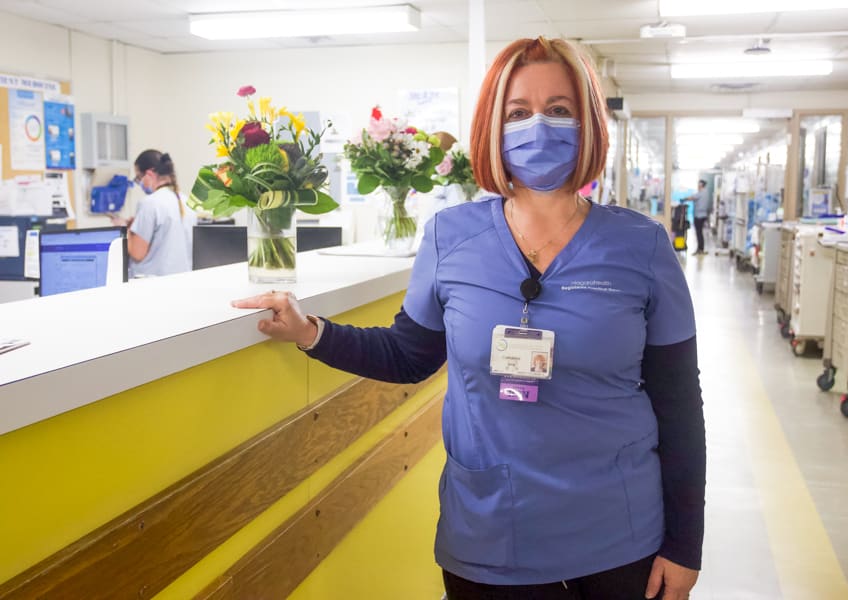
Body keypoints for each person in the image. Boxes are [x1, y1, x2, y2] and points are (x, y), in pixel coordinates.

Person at [233, 37, 705, 600]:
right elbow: (409, 355)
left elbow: (679, 404)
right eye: (518, 113)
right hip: (490, 536)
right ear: (492, 128)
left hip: (619, 536)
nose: (539, 126)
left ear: (588, 125)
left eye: (559, 111)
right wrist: (311, 333)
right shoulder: (451, 237)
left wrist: (685, 543)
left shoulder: (641, 245)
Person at [111, 150, 195, 277]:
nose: (140, 184)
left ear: (149, 174)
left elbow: (137, 253)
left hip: (152, 286)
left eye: (139, 178)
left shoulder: (149, 203)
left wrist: (123, 228)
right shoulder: (187, 202)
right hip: (181, 281)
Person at [683, 179, 712, 255]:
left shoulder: (701, 192)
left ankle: (700, 249)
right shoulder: (706, 192)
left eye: (699, 184)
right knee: (700, 233)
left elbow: (692, 197)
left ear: (701, 185)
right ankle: (700, 248)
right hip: (703, 215)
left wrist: (684, 199)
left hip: (699, 216)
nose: (698, 186)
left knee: (699, 233)